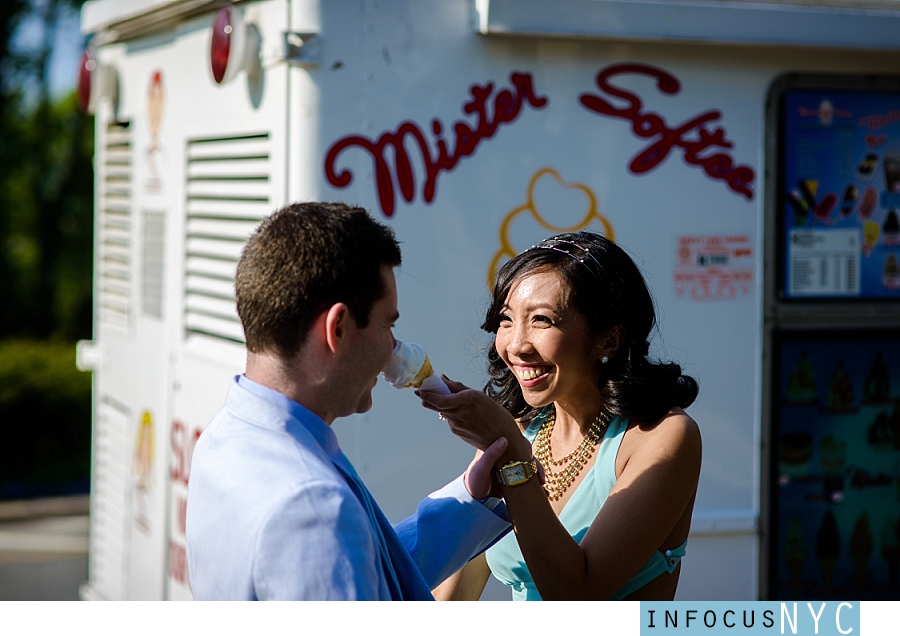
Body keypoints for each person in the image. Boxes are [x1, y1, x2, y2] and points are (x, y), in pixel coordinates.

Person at [185, 202, 511, 600]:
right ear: (337, 328)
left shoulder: (225, 435)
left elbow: (369, 573)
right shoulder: (312, 507)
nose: (395, 347)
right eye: (388, 324)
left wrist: (470, 497)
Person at [422, 231, 702, 601]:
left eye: (541, 320)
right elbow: (452, 598)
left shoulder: (665, 435)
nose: (517, 345)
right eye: (506, 320)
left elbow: (574, 595)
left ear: (608, 340)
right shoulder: (521, 426)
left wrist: (512, 458)